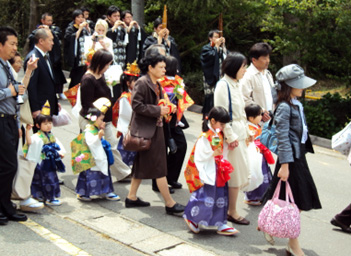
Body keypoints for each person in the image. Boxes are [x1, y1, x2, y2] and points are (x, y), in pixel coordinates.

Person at [263, 64, 321, 256]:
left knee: (289, 198)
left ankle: (269, 225)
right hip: (291, 159)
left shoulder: (295, 103)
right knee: (297, 199)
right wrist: (285, 165)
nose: (303, 87)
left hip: (298, 156)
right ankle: (293, 245)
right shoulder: (284, 107)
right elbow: (283, 137)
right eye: (298, 84)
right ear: (288, 86)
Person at [125, 54, 185, 215]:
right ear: (150, 68)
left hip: (153, 129)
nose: (164, 69)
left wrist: (167, 108)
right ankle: (169, 203)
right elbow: (136, 105)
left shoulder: (156, 82)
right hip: (147, 130)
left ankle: (131, 197)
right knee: (159, 166)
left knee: (140, 164)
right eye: (161, 67)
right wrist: (158, 110)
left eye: (164, 67)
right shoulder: (142, 83)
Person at [183, 106, 238, 235]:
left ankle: (220, 223)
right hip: (208, 170)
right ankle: (192, 218)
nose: (224, 127)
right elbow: (200, 155)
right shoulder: (205, 136)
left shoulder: (217, 133)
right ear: (213, 121)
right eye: (222, 124)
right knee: (204, 197)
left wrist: (226, 148)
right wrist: (213, 154)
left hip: (217, 169)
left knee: (220, 197)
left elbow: (220, 150)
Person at [79, 49, 131, 182]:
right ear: (99, 63)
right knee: (95, 149)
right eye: (107, 64)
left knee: (110, 146)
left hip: (103, 119)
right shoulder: (88, 79)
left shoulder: (99, 75)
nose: (108, 67)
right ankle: (92, 179)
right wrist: (97, 120)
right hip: (93, 121)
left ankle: (122, 172)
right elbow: (86, 105)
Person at [214, 52, 252, 226]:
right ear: (234, 67)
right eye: (243, 66)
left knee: (239, 171)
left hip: (240, 132)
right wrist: (230, 136)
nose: (245, 70)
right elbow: (222, 113)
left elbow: (240, 112)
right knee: (234, 174)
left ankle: (229, 209)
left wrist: (247, 131)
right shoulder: (223, 85)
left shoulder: (236, 84)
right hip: (232, 135)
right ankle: (232, 212)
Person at [0, 26, 27, 225]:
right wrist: (9, 91)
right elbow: (9, 91)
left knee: (9, 166)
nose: (14, 48)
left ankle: (6, 206)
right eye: (12, 44)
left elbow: (17, 92)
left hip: (10, 120)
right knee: (7, 166)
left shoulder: (7, 65)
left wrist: (17, 122)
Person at [73, 98, 120, 202]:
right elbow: (90, 142)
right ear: (94, 119)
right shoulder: (88, 130)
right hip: (92, 159)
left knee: (104, 173)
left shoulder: (95, 129)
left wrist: (100, 133)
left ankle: (107, 191)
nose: (102, 121)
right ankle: (83, 193)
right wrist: (98, 137)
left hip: (99, 156)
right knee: (89, 176)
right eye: (100, 119)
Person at [158, 56, 193, 190]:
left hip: (174, 119)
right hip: (162, 118)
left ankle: (171, 177)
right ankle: (158, 182)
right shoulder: (160, 81)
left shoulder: (178, 81)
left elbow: (183, 99)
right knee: (161, 151)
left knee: (180, 146)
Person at [23, 101, 66, 206]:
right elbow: (29, 142)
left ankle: (49, 197)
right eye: (45, 124)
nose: (48, 126)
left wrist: (60, 152)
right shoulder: (36, 136)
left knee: (51, 178)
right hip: (41, 162)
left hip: (50, 162)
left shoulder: (51, 136)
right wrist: (27, 131)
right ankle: (43, 197)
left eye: (50, 123)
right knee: (43, 179)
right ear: (38, 125)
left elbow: (58, 145)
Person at [25, 28, 59, 132]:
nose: (53, 43)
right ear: (41, 41)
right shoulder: (33, 57)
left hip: (48, 105)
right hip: (40, 107)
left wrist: (54, 100)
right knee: (40, 139)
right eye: (50, 40)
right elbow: (31, 86)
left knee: (47, 137)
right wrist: (35, 108)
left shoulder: (45, 56)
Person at [28, 13, 67, 100]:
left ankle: (59, 92)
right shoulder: (38, 30)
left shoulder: (55, 29)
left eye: (51, 20)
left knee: (56, 75)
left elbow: (59, 36)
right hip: (41, 98)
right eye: (48, 20)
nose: (50, 22)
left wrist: (50, 31)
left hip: (54, 56)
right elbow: (31, 37)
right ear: (43, 21)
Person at [243, 103, 273, 205]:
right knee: (255, 174)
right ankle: (253, 197)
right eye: (260, 114)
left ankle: (261, 195)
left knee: (261, 174)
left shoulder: (255, 126)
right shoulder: (249, 129)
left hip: (259, 155)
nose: (262, 116)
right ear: (251, 118)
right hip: (254, 156)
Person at [113, 62, 139, 167]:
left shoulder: (135, 94)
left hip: (136, 126)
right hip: (129, 126)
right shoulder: (125, 97)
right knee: (125, 150)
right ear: (128, 83)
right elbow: (125, 114)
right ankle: (123, 170)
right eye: (135, 82)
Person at [241, 42, 275, 122]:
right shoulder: (247, 76)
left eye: (268, 57)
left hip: (270, 120)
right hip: (255, 122)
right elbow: (244, 99)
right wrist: (260, 111)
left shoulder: (268, 74)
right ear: (254, 60)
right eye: (264, 58)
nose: (268, 61)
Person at [200, 29, 227, 119]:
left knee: (219, 97)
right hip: (210, 76)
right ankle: (207, 117)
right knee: (210, 97)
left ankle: (218, 117)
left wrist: (222, 47)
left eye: (219, 37)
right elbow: (208, 58)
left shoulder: (221, 48)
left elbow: (226, 57)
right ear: (210, 38)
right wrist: (216, 47)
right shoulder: (206, 48)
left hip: (221, 76)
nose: (217, 39)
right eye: (215, 37)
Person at [64, 9, 91, 88]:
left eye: (82, 17)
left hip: (85, 57)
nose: (81, 19)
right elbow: (69, 39)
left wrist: (88, 29)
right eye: (78, 17)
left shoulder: (85, 28)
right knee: (76, 79)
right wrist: (79, 29)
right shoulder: (70, 28)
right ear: (74, 19)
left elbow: (91, 37)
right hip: (76, 59)